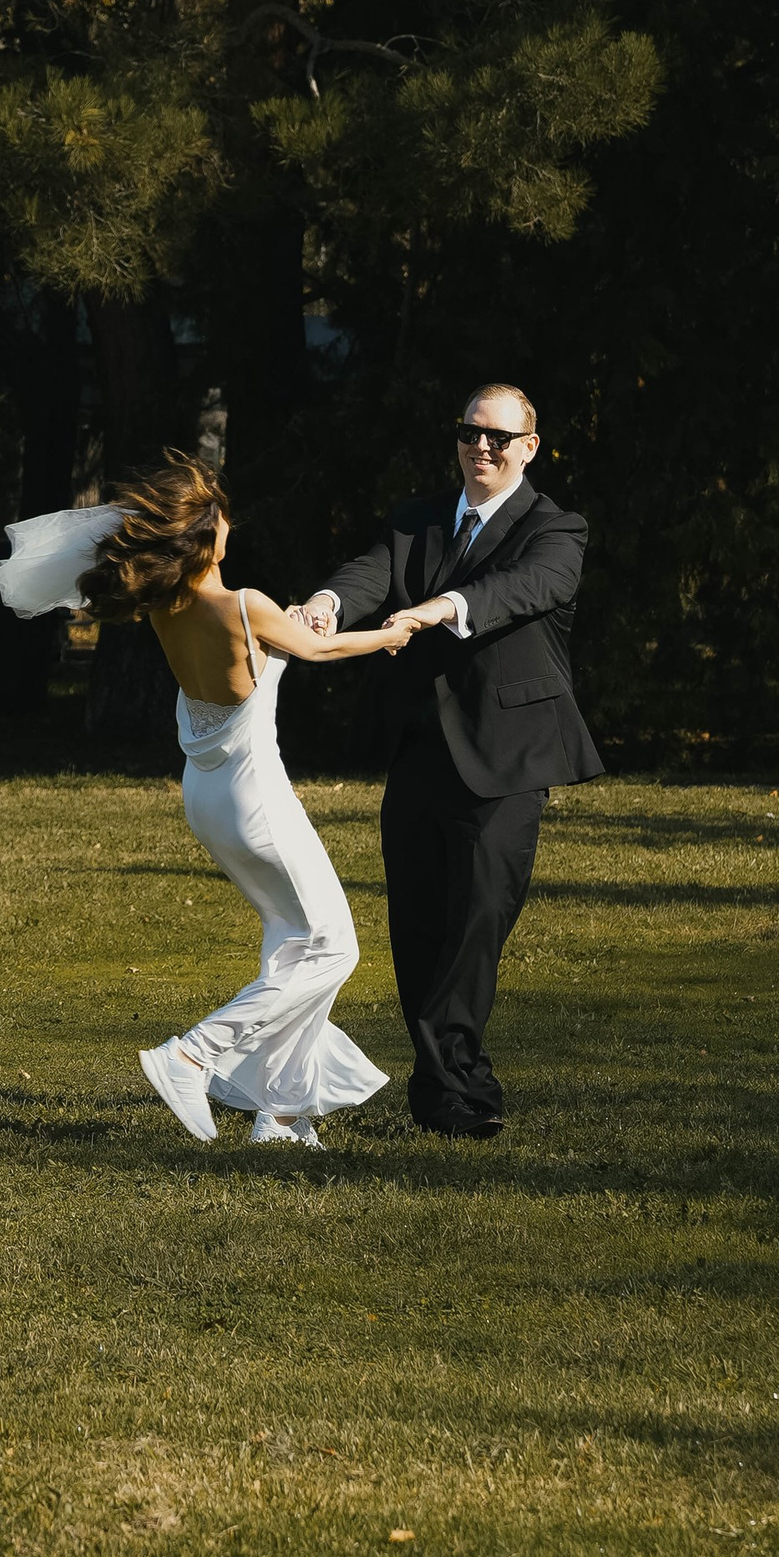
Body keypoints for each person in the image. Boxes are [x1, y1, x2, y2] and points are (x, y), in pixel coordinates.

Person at [0, 455, 414, 1150]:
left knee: (292, 946)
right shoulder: (243, 603)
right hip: (256, 805)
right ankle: (191, 1054)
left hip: (207, 799)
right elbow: (320, 652)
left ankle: (279, 1113)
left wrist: (304, 619)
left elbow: (280, 643)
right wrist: (392, 634)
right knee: (334, 947)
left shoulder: (169, 606)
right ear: (206, 540)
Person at [301, 383, 600, 1139]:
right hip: (420, 753)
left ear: (529, 447)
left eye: (500, 437)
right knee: (418, 928)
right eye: (471, 433)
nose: (483, 447)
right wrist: (327, 605)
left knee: (476, 923)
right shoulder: (419, 520)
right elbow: (367, 571)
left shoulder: (556, 528)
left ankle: (462, 1083)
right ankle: (443, 1093)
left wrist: (443, 606)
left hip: (508, 758)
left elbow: (525, 587)